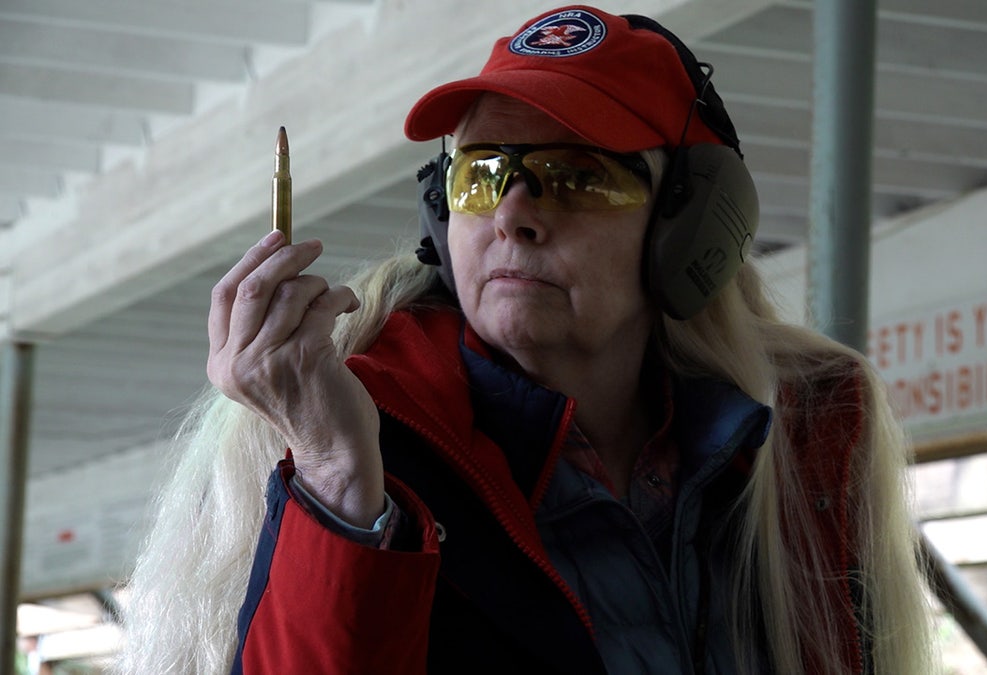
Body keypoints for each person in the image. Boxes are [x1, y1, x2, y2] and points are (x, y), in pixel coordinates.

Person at [118, 5, 933, 674]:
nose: (511, 211)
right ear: (445, 210)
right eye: (481, 173)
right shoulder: (347, 433)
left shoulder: (800, 438)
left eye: (579, 174)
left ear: (690, 227)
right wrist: (336, 479)